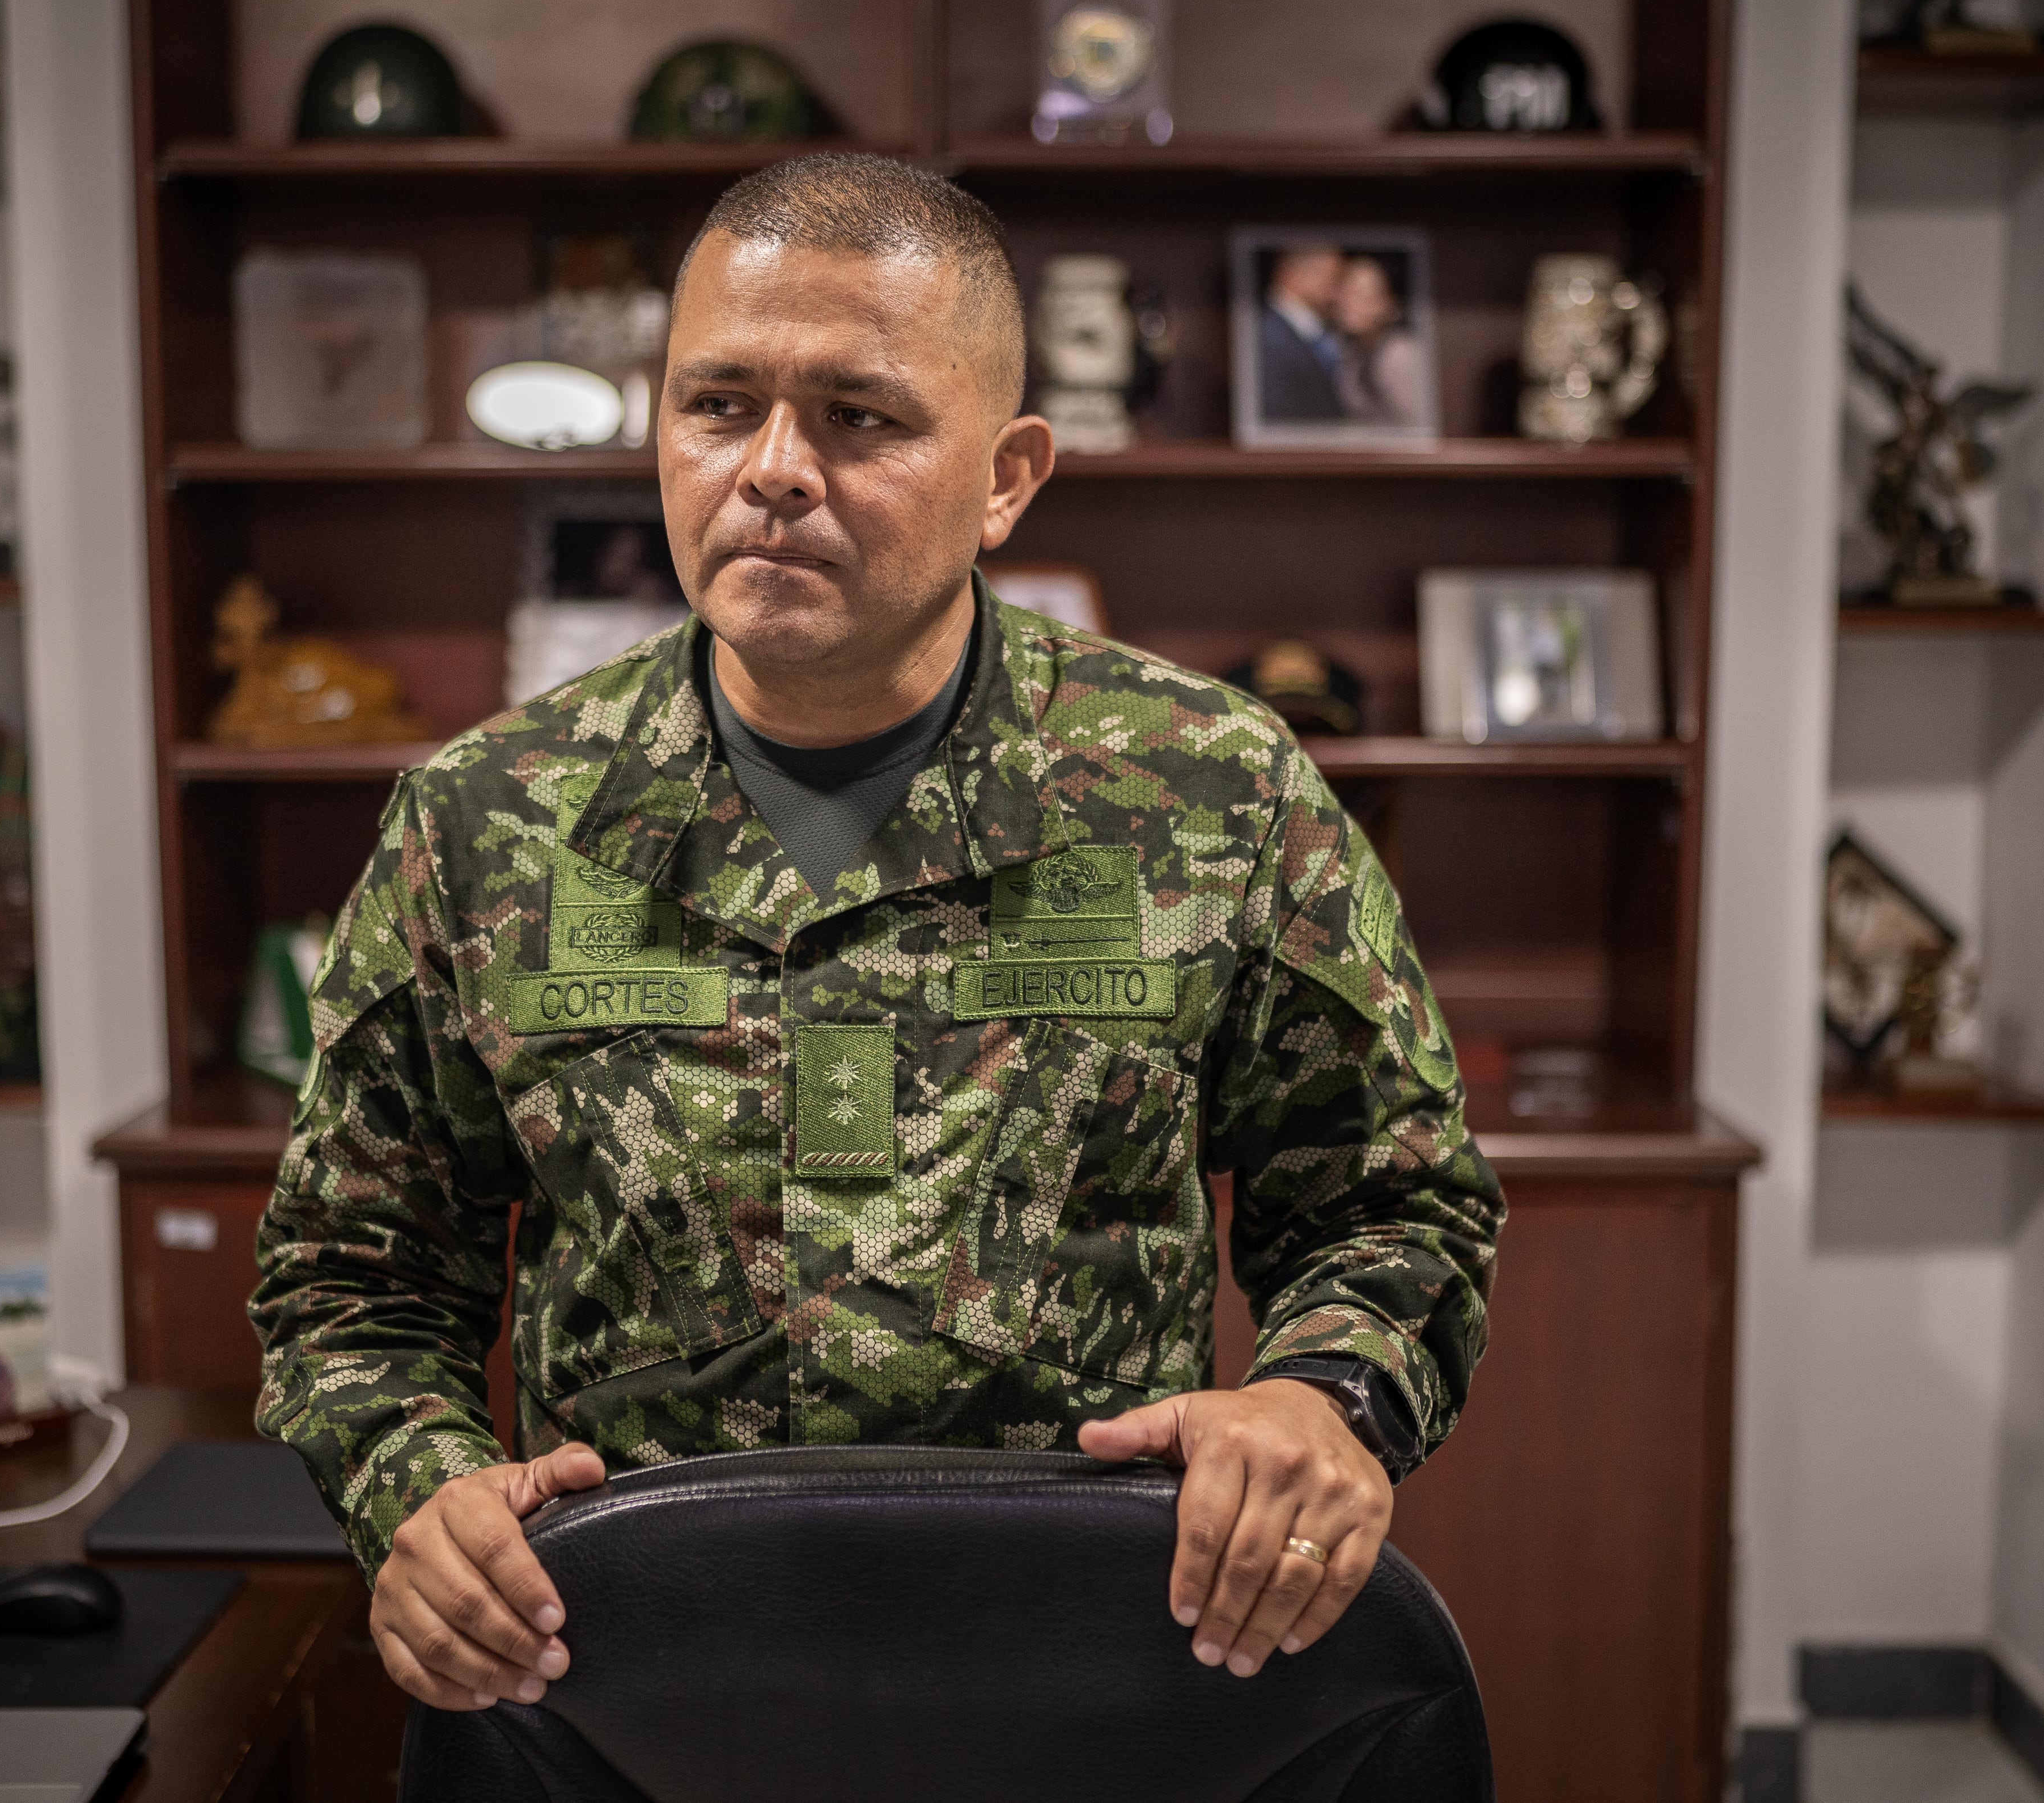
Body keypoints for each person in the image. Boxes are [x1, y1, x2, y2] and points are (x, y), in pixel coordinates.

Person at [252, 153, 1502, 1717]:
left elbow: (1393, 1204)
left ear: (1007, 473)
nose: (773, 467)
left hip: (1099, 1675)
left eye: (863, 416)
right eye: (718, 404)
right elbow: (355, 1275)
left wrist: (1322, 1399)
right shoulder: (487, 819)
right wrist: (417, 1489)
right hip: (634, 1679)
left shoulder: (1210, 790)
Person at [1330, 254, 1430, 432]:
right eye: (1346, 293)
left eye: (1362, 296)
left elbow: (1418, 427)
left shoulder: (1400, 354)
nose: (1349, 303)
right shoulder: (1350, 352)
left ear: (1387, 304)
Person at [1254, 242, 1350, 424]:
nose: (1337, 293)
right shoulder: (1266, 334)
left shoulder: (1320, 332)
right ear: (1292, 273)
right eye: (1332, 279)